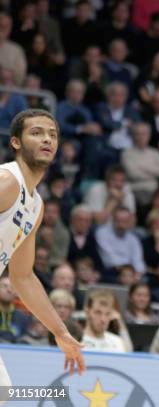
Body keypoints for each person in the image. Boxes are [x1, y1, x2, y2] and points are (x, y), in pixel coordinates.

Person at [0, 109, 84, 384]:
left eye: (52, 134)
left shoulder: (35, 206)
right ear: (16, 142)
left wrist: (60, 332)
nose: (47, 139)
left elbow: (22, 277)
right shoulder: (7, 181)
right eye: (36, 133)